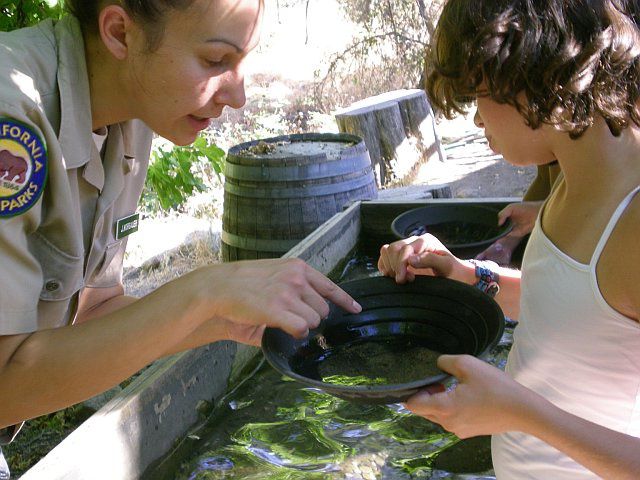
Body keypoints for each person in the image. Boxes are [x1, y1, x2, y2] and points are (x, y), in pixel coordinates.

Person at [0, 1, 361, 476]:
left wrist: (222, 318)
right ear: (119, 32)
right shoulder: (13, 117)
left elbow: (96, 308)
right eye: (215, 60)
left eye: (241, 62)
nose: (239, 97)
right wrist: (204, 290)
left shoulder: (132, 108)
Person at [378, 0, 640, 478]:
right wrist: (465, 274)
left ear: (531, 71)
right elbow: (572, 310)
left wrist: (519, 413)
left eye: (478, 93)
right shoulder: (573, 180)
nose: (477, 120)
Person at [475, 162, 562, 265]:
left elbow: (581, 205)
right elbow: (544, 179)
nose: (493, 148)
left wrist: (542, 211)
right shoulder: (550, 153)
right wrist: (506, 242)